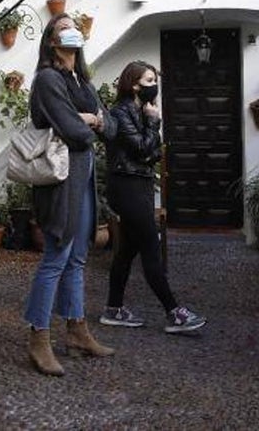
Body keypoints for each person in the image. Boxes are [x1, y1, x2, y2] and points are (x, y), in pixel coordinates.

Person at [22, 13, 116, 376]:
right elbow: (77, 133)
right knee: (56, 256)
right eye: (63, 27)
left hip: (84, 178)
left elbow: (112, 126)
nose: (71, 30)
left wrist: (91, 118)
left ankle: (76, 330)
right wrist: (90, 121)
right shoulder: (47, 79)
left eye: (75, 26)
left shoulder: (83, 81)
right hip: (62, 181)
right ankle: (38, 337)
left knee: (78, 258)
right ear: (50, 41)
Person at [100, 60, 206, 334]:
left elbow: (153, 153)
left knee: (127, 251)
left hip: (139, 184)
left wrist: (149, 137)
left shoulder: (139, 111)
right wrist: (153, 123)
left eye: (154, 80)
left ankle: (113, 309)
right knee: (150, 247)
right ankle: (174, 313)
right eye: (149, 81)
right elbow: (143, 149)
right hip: (127, 186)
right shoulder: (121, 113)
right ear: (133, 84)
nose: (154, 86)